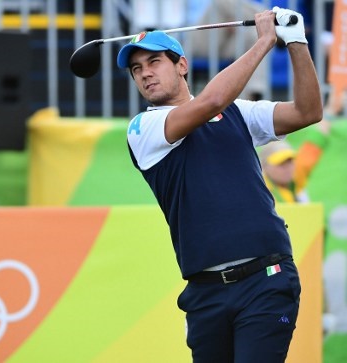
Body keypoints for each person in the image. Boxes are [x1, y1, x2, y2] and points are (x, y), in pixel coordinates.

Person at [117, 6, 322, 362]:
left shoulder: (239, 112)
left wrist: (297, 43)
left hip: (267, 280)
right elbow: (211, 100)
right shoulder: (142, 129)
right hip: (205, 294)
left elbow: (308, 112)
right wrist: (264, 42)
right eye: (137, 69)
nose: (145, 74)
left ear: (181, 65)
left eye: (154, 62)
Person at [259, 119, 331, 203]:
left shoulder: (295, 181)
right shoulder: (261, 192)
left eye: (290, 162)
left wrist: (320, 134)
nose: (287, 168)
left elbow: (305, 160)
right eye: (280, 163)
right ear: (264, 167)